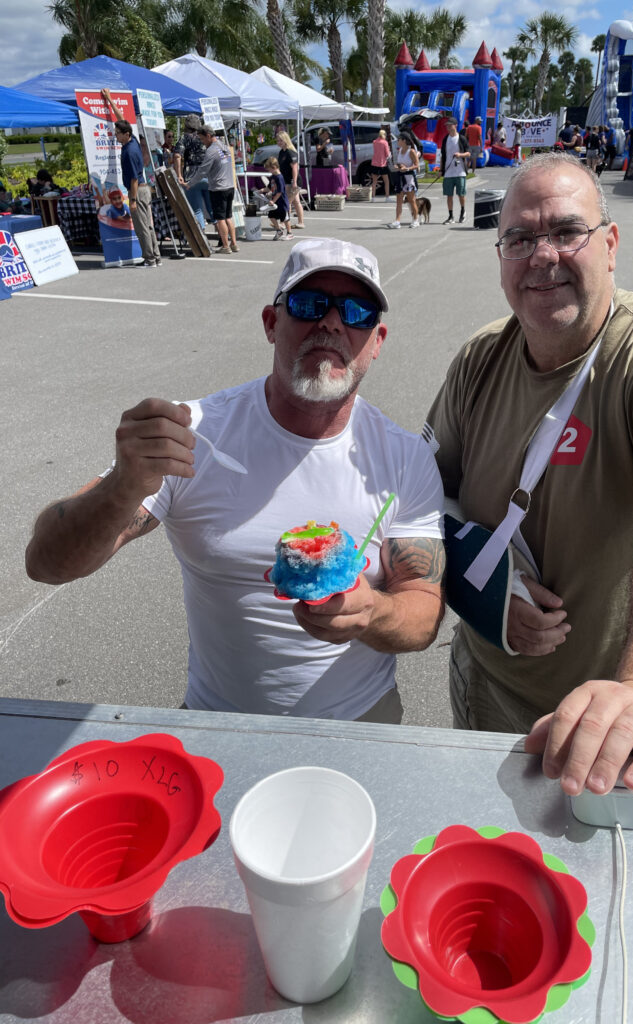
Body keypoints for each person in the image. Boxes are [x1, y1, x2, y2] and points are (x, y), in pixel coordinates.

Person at [424, 152, 633, 796]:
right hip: (485, 683)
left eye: (568, 231)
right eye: (518, 238)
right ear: (500, 257)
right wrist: (482, 597)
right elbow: (419, 499)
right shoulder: (480, 359)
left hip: (607, 727)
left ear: (610, 244)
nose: (542, 255)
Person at [26, 238, 445, 723]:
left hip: (361, 722)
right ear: (272, 323)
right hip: (217, 725)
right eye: (309, 304)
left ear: (377, 341)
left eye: (356, 312)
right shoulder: (196, 435)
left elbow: (424, 609)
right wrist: (123, 485)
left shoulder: (403, 457)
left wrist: (372, 612)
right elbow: (46, 563)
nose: (331, 323)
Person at [101, 93, 161, 268]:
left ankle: (150, 259)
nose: (116, 136)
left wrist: (132, 200)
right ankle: (155, 257)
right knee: (147, 225)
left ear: (126, 134)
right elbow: (123, 118)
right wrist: (110, 99)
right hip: (143, 189)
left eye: (118, 133)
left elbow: (134, 178)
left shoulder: (129, 152)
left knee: (142, 227)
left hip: (138, 190)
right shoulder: (132, 140)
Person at [184, 125, 238, 254]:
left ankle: (225, 246)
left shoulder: (211, 150)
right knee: (228, 216)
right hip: (229, 185)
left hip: (219, 188)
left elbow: (203, 170)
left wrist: (190, 183)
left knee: (220, 218)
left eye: (202, 139)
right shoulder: (224, 146)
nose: (202, 142)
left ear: (208, 136)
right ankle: (234, 244)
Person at [173, 114, 212, 232]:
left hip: (192, 177)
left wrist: (179, 175)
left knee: (197, 210)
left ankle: (202, 236)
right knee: (212, 208)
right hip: (208, 175)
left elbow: (177, 155)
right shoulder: (204, 137)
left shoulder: (184, 138)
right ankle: (223, 238)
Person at [440, 117, 471, 225]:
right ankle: (450, 215)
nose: (448, 127)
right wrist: (441, 170)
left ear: (455, 125)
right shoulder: (445, 139)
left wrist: (460, 154)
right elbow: (443, 155)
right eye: (447, 126)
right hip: (448, 171)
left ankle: (463, 211)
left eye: (450, 125)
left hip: (460, 171)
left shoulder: (461, 138)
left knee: (461, 194)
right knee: (449, 195)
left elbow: (468, 153)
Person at [386, 134, 420, 229]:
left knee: (411, 200)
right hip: (400, 177)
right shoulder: (400, 150)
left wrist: (407, 168)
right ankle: (397, 221)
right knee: (399, 201)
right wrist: (398, 166)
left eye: (399, 140)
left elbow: (416, 165)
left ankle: (415, 220)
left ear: (404, 140)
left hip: (409, 177)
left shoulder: (411, 151)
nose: (397, 141)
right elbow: (400, 163)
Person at [275, 131, 306, 229]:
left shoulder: (290, 152)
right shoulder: (282, 152)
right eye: (278, 140)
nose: (279, 142)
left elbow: (294, 168)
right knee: (296, 202)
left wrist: (294, 182)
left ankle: (284, 223)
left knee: (286, 202)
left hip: (292, 181)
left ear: (285, 140)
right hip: (286, 181)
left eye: (281, 140)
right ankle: (300, 222)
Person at [261, 156, 293, 241]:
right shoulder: (273, 177)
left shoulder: (279, 177)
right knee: (271, 216)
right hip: (275, 202)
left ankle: (290, 233)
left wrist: (273, 200)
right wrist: (261, 190)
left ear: (274, 167)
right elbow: (268, 188)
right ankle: (279, 230)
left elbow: (280, 192)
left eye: (269, 169)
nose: (269, 171)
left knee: (285, 218)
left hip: (282, 202)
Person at [370, 128, 393, 202]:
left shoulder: (374, 142)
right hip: (382, 164)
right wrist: (390, 154)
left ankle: (373, 198)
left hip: (374, 163)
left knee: (374, 182)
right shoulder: (385, 142)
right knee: (386, 181)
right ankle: (387, 197)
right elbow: (387, 154)